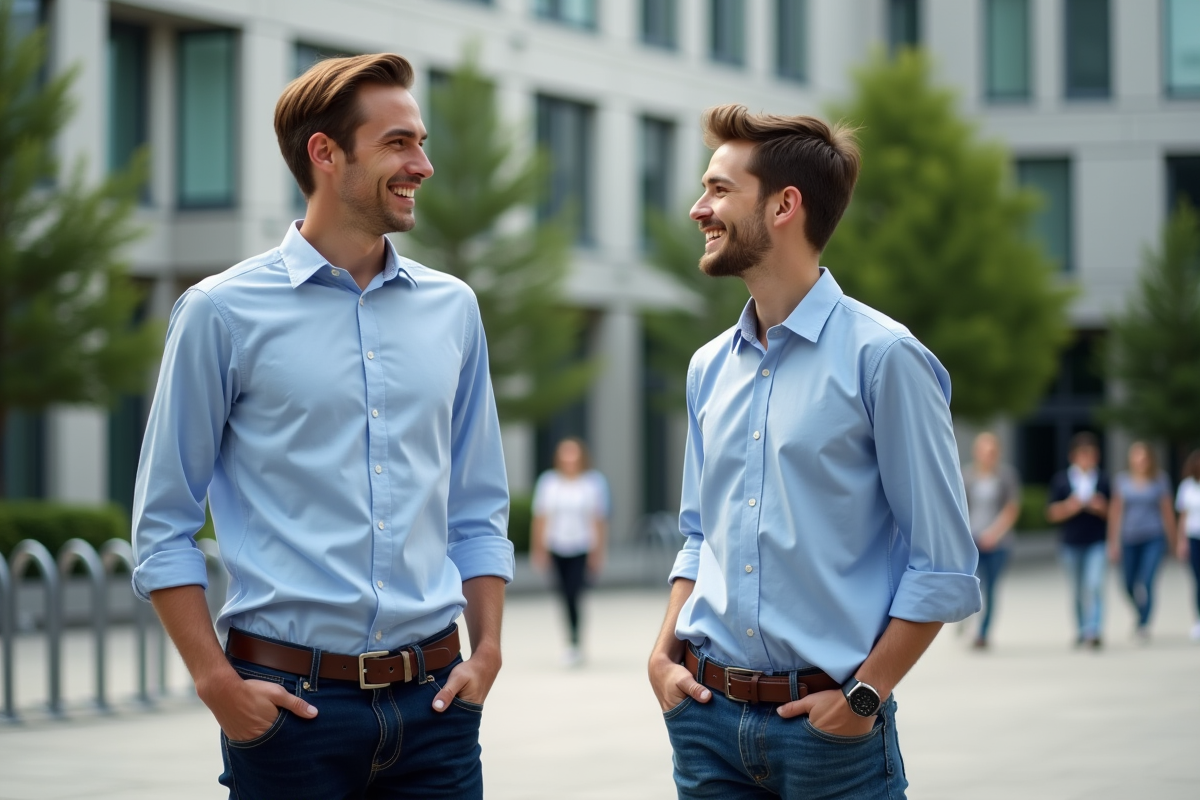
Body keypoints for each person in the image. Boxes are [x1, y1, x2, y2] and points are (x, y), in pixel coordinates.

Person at [131, 54, 513, 800]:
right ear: (325, 153)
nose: (423, 164)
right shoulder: (220, 312)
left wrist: (488, 649)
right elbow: (163, 523)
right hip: (288, 712)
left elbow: (476, 503)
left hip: (436, 708)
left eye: (422, 142)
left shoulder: (454, 309)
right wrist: (218, 686)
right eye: (400, 143)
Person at [646, 105, 981, 800]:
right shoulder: (709, 367)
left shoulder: (886, 359)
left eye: (717, 189)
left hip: (831, 739)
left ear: (784, 207)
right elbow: (697, 536)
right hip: (707, 725)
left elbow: (943, 564)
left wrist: (863, 699)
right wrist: (661, 657)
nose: (696, 208)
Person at [530, 438, 609, 666]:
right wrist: (539, 549)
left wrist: (598, 552)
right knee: (564, 594)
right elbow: (541, 518)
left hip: (582, 546)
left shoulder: (592, 483)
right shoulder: (549, 482)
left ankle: (575, 641)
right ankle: (570, 638)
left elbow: (599, 519)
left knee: (575, 593)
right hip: (556, 546)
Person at [1046, 432, 1110, 648]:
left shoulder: (1103, 480)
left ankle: (1094, 630)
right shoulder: (1062, 480)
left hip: (1097, 541)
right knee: (1076, 590)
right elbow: (1051, 513)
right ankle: (1082, 629)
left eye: (1090, 455)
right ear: (1073, 457)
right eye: (1082, 455)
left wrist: (1102, 507)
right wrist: (1070, 506)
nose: (1086, 460)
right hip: (1070, 543)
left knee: (1094, 585)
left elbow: (1116, 512)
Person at [1108, 441, 1175, 641]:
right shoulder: (1122, 481)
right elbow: (1116, 512)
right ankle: (1140, 610)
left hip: (1153, 536)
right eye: (1136, 456)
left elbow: (1167, 512)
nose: (1140, 460)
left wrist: (1174, 541)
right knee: (1128, 583)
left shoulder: (1160, 480)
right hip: (1129, 537)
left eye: (1143, 456)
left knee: (1146, 580)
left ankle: (1144, 623)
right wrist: (1113, 542)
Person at [962, 432, 1021, 649]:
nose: (989, 455)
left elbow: (1011, 508)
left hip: (998, 543)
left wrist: (995, 533)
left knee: (991, 588)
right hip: (972, 542)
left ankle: (983, 633)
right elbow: (960, 508)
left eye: (992, 451)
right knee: (972, 588)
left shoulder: (1006, 476)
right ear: (977, 452)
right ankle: (966, 620)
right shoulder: (967, 475)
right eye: (984, 451)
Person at [1175, 450, 1200, 641]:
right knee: (1198, 580)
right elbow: (1183, 516)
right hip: (1194, 537)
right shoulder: (1187, 487)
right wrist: (1180, 540)